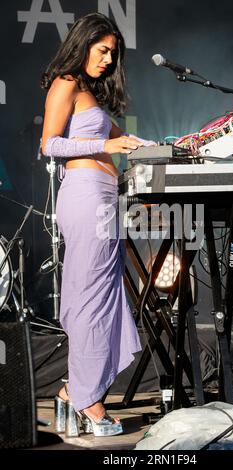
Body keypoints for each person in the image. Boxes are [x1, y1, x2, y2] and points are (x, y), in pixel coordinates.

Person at [41, 12, 154, 436]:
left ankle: (75, 394)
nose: (108, 59)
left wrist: (155, 148)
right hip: (85, 195)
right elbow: (50, 143)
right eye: (103, 50)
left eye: (114, 53)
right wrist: (107, 143)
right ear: (84, 43)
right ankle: (89, 401)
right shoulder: (66, 83)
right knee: (90, 297)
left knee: (105, 297)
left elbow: (121, 142)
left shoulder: (93, 94)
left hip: (107, 198)